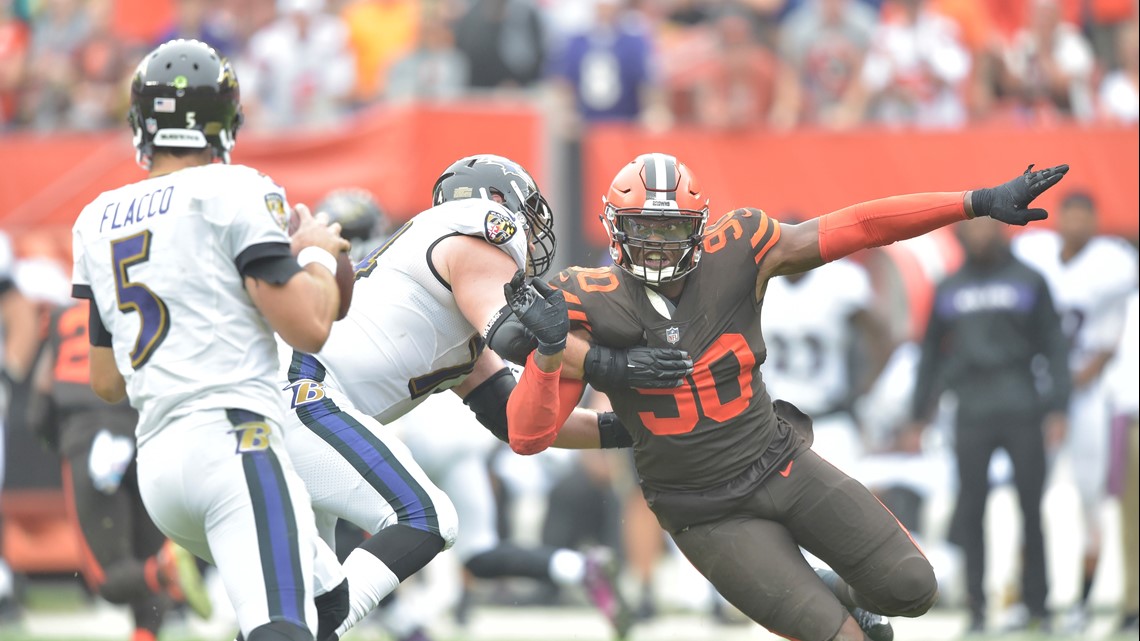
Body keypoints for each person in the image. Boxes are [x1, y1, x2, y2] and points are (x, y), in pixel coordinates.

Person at [505, 152, 1069, 641]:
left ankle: (829, 588)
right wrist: (562, 353)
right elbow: (529, 435)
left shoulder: (740, 249)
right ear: (614, 227)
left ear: (701, 228)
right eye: (643, 229)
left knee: (911, 587)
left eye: (671, 230)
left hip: (779, 462)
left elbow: (862, 225)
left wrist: (972, 201)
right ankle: (821, 603)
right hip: (702, 510)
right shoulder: (587, 296)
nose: (655, 244)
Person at [278, 154, 688, 640]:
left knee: (303, 592)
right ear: (496, 205)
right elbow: (521, 336)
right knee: (426, 518)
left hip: (302, 402)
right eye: (528, 215)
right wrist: (622, 366)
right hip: (303, 391)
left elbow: (520, 424)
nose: (533, 236)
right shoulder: (471, 234)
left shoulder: (448, 311)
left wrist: (628, 430)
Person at [69, 39, 352, 641]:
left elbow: (105, 381)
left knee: (329, 605)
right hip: (233, 443)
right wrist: (319, 258)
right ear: (224, 121)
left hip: (159, 466)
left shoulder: (96, 217)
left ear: (143, 122)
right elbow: (309, 327)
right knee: (283, 627)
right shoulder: (235, 189)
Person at [909, 216, 1071, 633]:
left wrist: (1058, 406)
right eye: (973, 229)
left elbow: (1054, 343)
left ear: (1002, 230)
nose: (979, 235)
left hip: (1021, 403)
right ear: (962, 234)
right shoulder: (949, 286)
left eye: (987, 228)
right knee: (970, 510)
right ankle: (977, 607)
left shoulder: (1029, 280)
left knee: (1031, 508)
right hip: (972, 409)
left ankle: (1039, 604)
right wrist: (917, 413)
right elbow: (930, 353)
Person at [26, 299, 214, 641]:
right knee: (146, 556)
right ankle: (155, 598)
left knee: (108, 579)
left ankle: (165, 570)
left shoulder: (60, 316)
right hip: (142, 433)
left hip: (87, 438)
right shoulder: (141, 298)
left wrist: (61, 443)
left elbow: (39, 403)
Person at [1012, 190, 1139, 633]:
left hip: (1086, 400)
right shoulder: (1035, 255)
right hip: (1039, 393)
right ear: (1060, 219)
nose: (1077, 225)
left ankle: (1084, 601)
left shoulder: (1112, 264)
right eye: (1072, 216)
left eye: (1086, 216)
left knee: (1089, 500)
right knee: (1028, 496)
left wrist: (1066, 391)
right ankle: (1028, 598)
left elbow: (1105, 346)